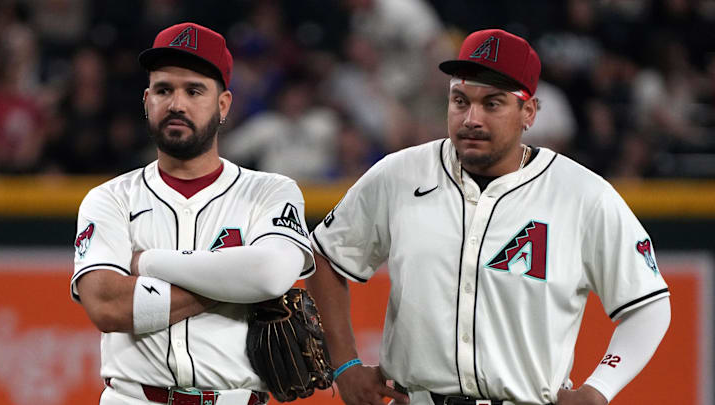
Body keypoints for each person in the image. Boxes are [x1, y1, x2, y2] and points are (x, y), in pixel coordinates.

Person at [306, 28, 671, 405]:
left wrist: (600, 388)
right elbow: (325, 255)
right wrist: (345, 364)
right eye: (460, 101)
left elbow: (648, 304)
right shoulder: (399, 174)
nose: (471, 118)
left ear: (528, 111)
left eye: (492, 104)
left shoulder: (583, 195)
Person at [70, 22, 314, 405]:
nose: (176, 104)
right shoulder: (110, 198)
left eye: (194, 90)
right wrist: (234, 285)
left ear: (223, 105)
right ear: (146, 100)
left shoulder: (269, 191)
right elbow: (106, 305)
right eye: (164, 90)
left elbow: (270, 275)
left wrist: (147, 262)